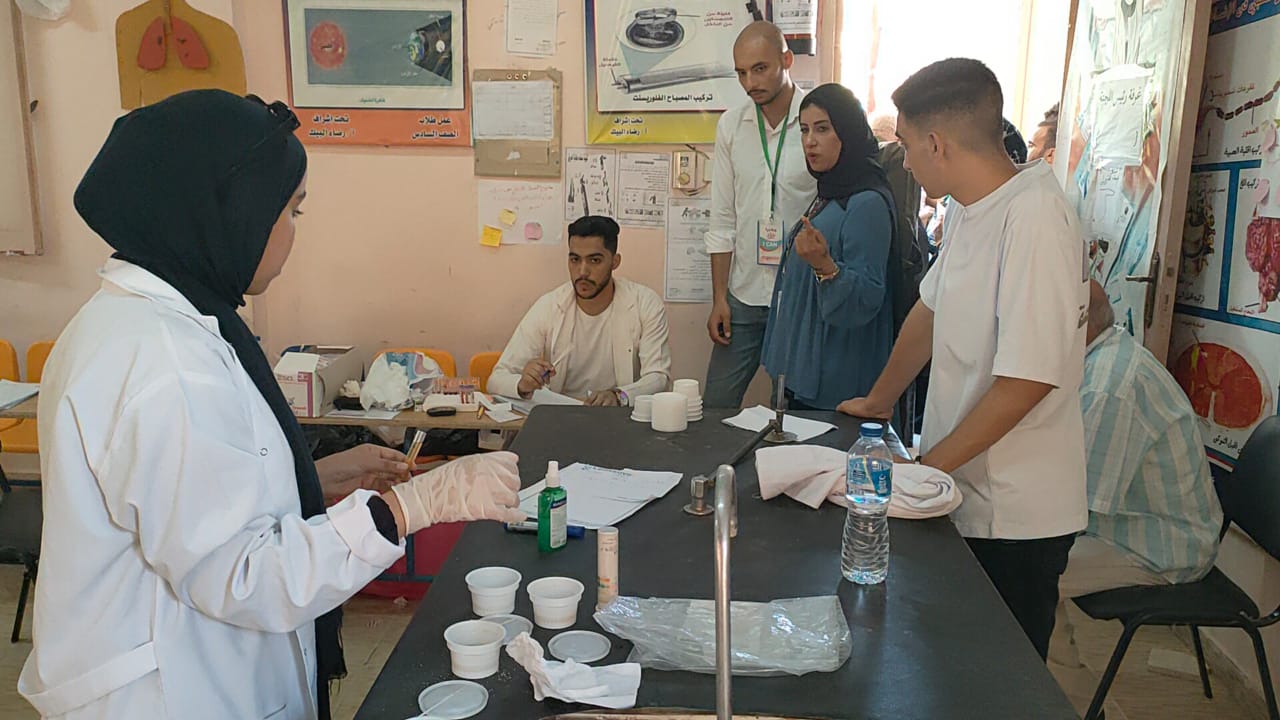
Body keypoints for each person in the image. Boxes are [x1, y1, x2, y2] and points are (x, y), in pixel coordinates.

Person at [18, 90, 526, 720]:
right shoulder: (167, 365)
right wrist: (415, 506)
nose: (292, 235)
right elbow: (246, 577)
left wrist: (308, 479)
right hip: (171, 693)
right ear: (231, 211)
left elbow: (189, 500)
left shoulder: (151, 322)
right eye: (291, 211)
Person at [839, 58, 1089, 661]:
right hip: (962, 489)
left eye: (905, 145)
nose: (903, 161)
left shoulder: (1035, 217)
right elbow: (930, 310)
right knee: (948, 662)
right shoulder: (969, 207)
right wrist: (879, 400)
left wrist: (924, 472)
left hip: (1016, 512)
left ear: (936, 143)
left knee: (1000, 677)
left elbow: (1026, 382)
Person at [1049, 281, 1223, 708]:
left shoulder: (1110, 384)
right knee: (1022, 557)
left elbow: (1079, 502)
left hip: (1164, 547)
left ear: (1077, 323)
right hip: (1132, 525)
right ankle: (1063, 691)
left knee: (1026, 571)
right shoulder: (1102, 356)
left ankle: (1071, 705)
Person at [703, 20, 817, 408]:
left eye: (760, 68)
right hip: (744, 293)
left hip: (800, 295)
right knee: (714, 407)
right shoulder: (732, 126)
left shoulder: (816, 123)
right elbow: (722, 219)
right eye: (741, 73)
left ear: (787, 60)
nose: (750, 82)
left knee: (789, 414)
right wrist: (719, 297)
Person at [760, 83, 895, 410]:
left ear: (847, 132)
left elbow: (867, 297)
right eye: (805, 130)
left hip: (835, 379)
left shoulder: (865, 203)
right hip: (805, 369)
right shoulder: (831, 193)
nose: (810, 141)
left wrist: (825, 266)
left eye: (822, 129)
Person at [488, 215, 671, 406]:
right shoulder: (550, 305)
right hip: (562, 414)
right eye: (575, 259)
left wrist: (619, 396)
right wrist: (523, 384)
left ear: (615, 262)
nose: (582, 271)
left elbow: (658, 377)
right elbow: (497, 379)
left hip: (617, 415)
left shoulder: (644, 303)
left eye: (595, 260)